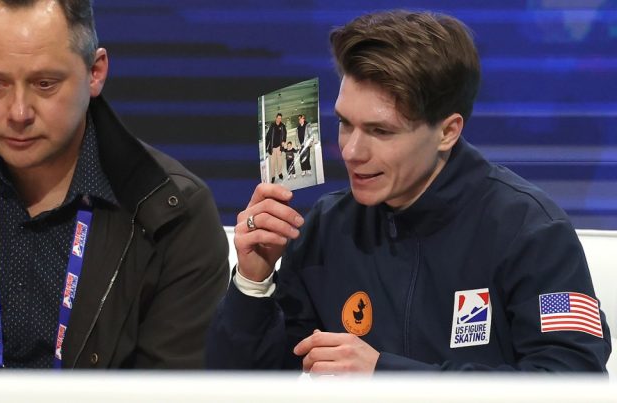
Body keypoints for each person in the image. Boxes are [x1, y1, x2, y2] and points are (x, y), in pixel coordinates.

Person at [207, 10, 611, 372]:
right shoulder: (325, 229)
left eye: (380, 131)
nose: (351, 151)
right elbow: (243, 387)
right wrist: (253, 282)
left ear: (447, 131)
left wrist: (384, 375)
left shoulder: (534, 232)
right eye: (345, 123)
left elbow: (572, 380)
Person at [0, 0, 229, 369]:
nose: (18, 112)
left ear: (95, 73)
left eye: (45, 84)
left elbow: (172, 390)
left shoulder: (172, 213)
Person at [265, 113, 287, 183]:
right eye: (278, 118)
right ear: (276, 118)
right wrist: (266, 147)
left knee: (280, 162)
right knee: (272, 163)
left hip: (279, 147)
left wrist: (284, 141)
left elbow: (285, 134)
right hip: (272, 148)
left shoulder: (282, 126)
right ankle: (273, 176)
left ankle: (280, 173)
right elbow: (268, 136)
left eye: (280, 118)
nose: (279, 119)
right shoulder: (272, 126)